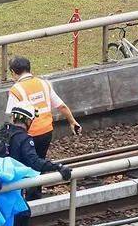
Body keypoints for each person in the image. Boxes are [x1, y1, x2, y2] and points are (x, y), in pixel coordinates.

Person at [5, 56, 81, 199]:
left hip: (27, 134)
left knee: (23, 164)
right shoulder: (44, 84)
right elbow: (61, 105)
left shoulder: (16, 89)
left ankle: (23, 196)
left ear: (13, 72)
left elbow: (11, 115)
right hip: (46, 132)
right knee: (38, 161)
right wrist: (72, 121)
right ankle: (35, 193)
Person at [0, 102, 72, 220]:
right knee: (22, 217)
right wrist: (57, 166)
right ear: (28, 121)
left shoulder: (2, 134)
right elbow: (34, 162)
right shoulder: (24, 139)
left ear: (14, 117)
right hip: (13, 188)